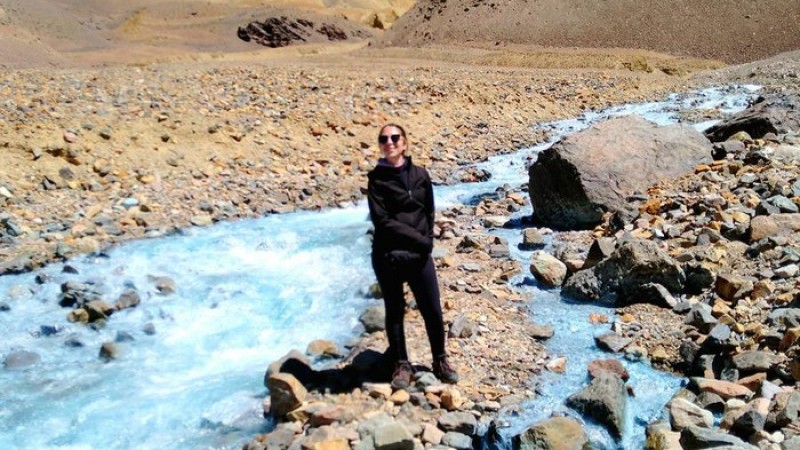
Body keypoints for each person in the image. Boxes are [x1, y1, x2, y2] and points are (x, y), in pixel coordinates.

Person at [366, 123, 458, 389]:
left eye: (395, 137)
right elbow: (382, 221)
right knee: (394, 311)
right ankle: (401, 364)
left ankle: (440, 359)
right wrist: (422, 240)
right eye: (384, 139)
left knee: (432, 309)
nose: (390, 142)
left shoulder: (420, 175)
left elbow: (428, 210)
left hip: (419, 255)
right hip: (388, 255)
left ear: (404, 142)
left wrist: (427, 236)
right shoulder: (376, 179)